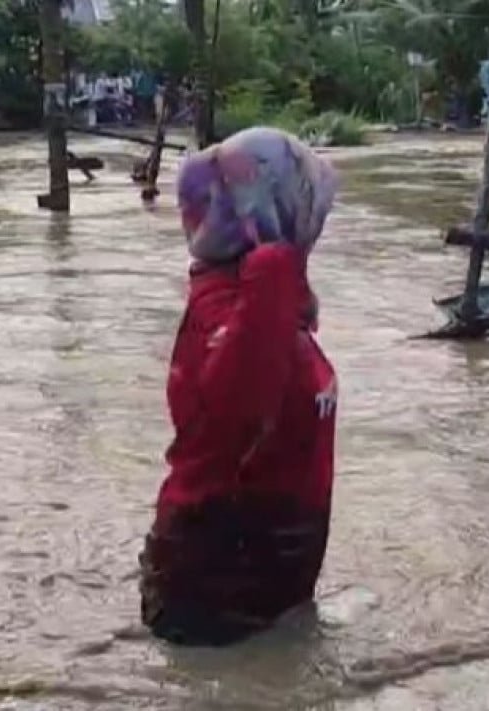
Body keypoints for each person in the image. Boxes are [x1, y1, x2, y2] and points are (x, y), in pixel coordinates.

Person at [139, 127, 340, 647]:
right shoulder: (244, 301)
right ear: (268, 207)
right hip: (220, 579)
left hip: (262, 573)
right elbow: (237, 416)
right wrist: (276, 270)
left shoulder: (261, 295)